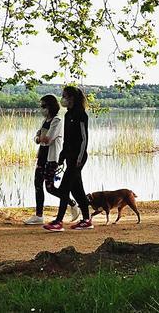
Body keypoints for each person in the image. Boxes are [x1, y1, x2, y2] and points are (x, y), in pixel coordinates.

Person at [43, 86, 93, 231]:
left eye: (64, 96)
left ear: (72, 98)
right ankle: (86, 220)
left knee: (64, 188)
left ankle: (58, 222)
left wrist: (79, 157)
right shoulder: (68, 115)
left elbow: (84, 139)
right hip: (69, 158)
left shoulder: (81, 115)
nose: (62, 99)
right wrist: (62, 157)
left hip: (78, 158)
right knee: (77, 190)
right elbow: (66, 139)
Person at [24, 94, 65, 225]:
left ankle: (70, 202)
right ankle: (39, 215)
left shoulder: (57, 121)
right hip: (41, 157)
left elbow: (48, 139)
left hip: (52, 158)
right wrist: (40, 137)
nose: (42, 109)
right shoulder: (45, 121)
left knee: (50, 187)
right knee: (37, 184)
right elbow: (37, 138)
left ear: (50, 106)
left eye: (44, 106)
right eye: (41, 106)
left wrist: (40, 137)